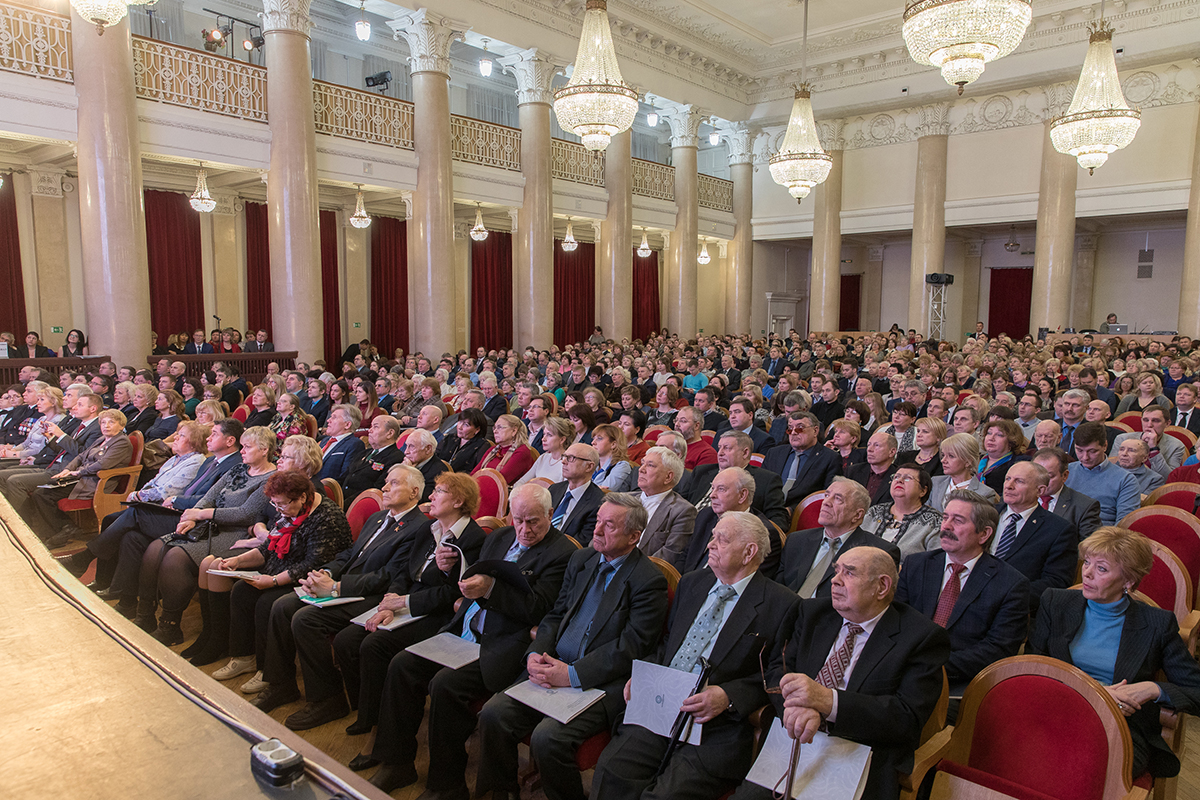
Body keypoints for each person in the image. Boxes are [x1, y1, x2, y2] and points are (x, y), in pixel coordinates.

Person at [362, 482, 578, 794]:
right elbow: (469, 582)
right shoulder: (501, 537)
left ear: (551, 514)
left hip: (502, 644)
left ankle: (446, 785)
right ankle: (396, 764)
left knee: (445, 685)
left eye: (534, 521)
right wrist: (450, 570)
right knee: (401, 664)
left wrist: (490, 590)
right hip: (463, 630)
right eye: (518, 520)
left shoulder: (563, 553)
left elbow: (538, 608)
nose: (525, 529)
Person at [591, 512, 801, 800]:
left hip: (716, 726)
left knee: (664, 796)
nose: (710, 544)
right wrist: (645, 675)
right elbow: (668, 644)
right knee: (611, 771)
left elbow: (776, 675)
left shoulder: (783, 604)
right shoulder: (692, 583)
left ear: (750, 551)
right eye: (712, 536)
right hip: (661, 705)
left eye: (721, 539)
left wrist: (728, 696)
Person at [474, 493, 670, 800]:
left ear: (634, 536)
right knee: (493, 714)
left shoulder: (648, 581)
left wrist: (573, 674)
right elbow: (555, 615)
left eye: (610, 525)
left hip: (598, 681)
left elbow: (633, 646)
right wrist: (535, 654)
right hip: (552, 664)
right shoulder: (583, 560)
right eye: (598, 521)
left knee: (547, 738)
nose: (597, 530)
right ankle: (501, 793)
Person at [729, 546, 950, 800]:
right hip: (794, 740)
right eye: (836, 570)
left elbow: (905, 718)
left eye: (850, 573)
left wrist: (826, 701)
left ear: (882, 586)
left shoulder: (922, 638)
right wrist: (796, 707)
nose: (835, 580)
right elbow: (779, 668)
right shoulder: (812, 613)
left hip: (860, 755)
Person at [251, 465, 440, 720]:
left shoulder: (419, 528)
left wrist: (337, 588)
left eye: (393, 483)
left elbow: (390, 577)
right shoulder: (378, 518)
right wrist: (326, 574)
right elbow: (349, 555)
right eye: (386, 482)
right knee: (282, 605)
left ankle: (328, 699)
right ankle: (281, 685)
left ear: (415, 491)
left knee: (305, 619)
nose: (384, 488)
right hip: (345, 584)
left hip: (372, 596)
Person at [1028, 528, 1200, 779]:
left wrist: (1153, 689)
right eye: (1087, 562)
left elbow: (1196, 690)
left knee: (1079, 770)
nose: (1086, 572)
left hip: (1119, 726)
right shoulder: (1055, 602)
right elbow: (1032, 667)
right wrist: (1095, 692)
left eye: (1101, 569)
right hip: (1055, 709)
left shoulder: (1157, 623)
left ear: (1128, 581)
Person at [337, 468, 487, 738]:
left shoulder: (473, 538)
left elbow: (453, 594)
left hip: (435, 613)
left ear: (458, 501)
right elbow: (404, 573)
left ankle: (381, 728)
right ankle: (367, 713)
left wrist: (404, 602)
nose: (431, 495)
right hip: (406, 603)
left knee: (375, 645)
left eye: (439, 491)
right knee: (347, 639)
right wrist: (388, 603)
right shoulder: (429, 529)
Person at [205, 470, 352, 688]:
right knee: (241, 592)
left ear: (302, 497)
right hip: (281, 570)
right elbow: (267, 549)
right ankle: (244, 657)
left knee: (267, 602)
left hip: (311, 579)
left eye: (281, 504)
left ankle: (267, 670)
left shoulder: (327, 516)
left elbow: (311, 565)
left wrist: (272, 582)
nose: (278, 509)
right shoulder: (289, 511)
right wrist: (238, 561)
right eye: (274, 504)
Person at [137, 426, 277, 647]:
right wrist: (191, 518)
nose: (242, 451)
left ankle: (170, 625)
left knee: (175, 558)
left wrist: (201, 514)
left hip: (237, 535)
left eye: (248, 447)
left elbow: (245, 514)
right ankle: (144, 615)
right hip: (207, 527)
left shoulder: (271, 478)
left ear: (264, 450)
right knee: (156, 547)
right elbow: (209, 496)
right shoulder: (238, 469)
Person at [896, 489, 1031, 702]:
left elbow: (997, 649)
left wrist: (930, 666)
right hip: (900, 670)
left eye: (958, 521)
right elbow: (896, 621)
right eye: (945, 517)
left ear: (984, 534)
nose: (946, 526)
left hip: (960, 683)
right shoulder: (917, 565)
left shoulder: (1011, 584)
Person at [777, 478, 901, 598]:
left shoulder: (880, 553)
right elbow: (778, 587)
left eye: (837, 499)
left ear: (857, 515)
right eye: (826, 496)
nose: (825, 502)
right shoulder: (796, 540)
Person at [27, 409, 132, 546]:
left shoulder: (122, 442)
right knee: (42, 491)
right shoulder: (101, 439)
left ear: (122, 426)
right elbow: (80, 456)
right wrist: (67, 469)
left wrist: (78, 472)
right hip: (82, 478)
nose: (106, 426)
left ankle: (63, 530)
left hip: (96, 482)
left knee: (43, 495)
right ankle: (61, 530)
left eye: (111, 422)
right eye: (103, 422)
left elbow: (103, 464)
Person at [992, 460, 1078, 611]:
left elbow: (1056, 583)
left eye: (1019, 481)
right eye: (1008, 478)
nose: (1009, 485)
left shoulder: (1059, 530)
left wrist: (1004, 594)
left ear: (1040, 491)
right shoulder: (987, 514)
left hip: (1016, 609)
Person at [681, 466, 783, 580]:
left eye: (721, 489)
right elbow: (685, 557)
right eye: (712, 488)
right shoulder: (706, 515)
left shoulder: (762, 534)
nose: (712, 495)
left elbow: (748, 582)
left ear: (742, 495)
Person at [761, 411, 842, 510]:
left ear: (815, 431)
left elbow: (825, 497)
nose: (794, 432)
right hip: (767, 510)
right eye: (790, 428)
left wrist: (792, 511)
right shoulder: (774, 453)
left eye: (800, 428)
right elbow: (762, 486)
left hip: (802, 513)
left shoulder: (830, 458)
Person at [859, 464, 943, 559]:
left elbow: (934, 561)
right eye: (896, 477)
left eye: (908, 478)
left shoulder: (934, 521)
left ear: (923, 491)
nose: (899, 480)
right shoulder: (874, 511)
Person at [1065, 422, 1140, 526]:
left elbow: (1124, 524)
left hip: (1100, 535)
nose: (1085, 457)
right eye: (1079, 450)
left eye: (1092, 451)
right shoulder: (1065, 472)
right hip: (1064, 532)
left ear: (1105, 446)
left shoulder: (1125, 479)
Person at [635, 445, 698, 570]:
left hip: (643, 573)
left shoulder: (683, 511)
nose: (641, 469)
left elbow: (669, 555)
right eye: (642, 464)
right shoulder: (623, 499)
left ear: (668, 477)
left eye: (650, 465)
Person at [547, 443, 605, 547]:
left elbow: (580, 543)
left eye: (571, 458)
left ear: (589, 466)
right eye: (564, 456)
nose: (563, 461)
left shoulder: (598, 502)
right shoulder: (554, 489)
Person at [1112, 405, 1185, 480]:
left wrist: (1154, 449)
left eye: (1156, 421)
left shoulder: (1176, 445)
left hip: (1154, 485)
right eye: (1146, 420)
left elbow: (1169, 478)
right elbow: (1112, 468)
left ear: (1167, 423)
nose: (1149, 425)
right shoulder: (1122, 439)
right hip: (1123, 480)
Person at [929, 432, 997, 511]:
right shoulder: (935, 482)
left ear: (968, 462)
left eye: (951, 456)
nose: (943, 460)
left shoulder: (985, 493)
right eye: (943, 455)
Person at [472, 414, 537, 486]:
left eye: (499, 427)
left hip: (507, 493)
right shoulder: (493, 450)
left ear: (514, 431)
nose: (495, 431)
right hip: (484, 487)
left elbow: (501, 479)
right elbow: (474, 474)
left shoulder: (521, 452)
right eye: (494, 428)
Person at [846, 430, 900, 506]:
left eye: (877, 445)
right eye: (869, 445)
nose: (869, 449)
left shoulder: (898, 477)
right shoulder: (853, 471)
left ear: (892, 452)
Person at [514, 416, 571, 487]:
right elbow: (521, 482)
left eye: (549, 435)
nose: (543, 439)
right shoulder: (543, 457)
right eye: (544, 434)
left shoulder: (567, 463)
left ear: (562, 440)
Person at [315, 404, 366, 483]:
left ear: (347, 424)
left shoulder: (354, 444)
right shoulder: (325, 440)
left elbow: (344, 476)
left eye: (334, 417)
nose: (328, 420)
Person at [435, 407, 491, 474]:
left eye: (466, 425)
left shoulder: (482, 446)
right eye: (460, 422)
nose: (460, 427)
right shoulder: (449, 438)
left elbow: (477, 472)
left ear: (477, 429)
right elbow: (434, 458)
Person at [590, 423, 635, 492]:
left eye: (599, 438)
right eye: (593, 439)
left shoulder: (622, 466)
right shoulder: (592, 463)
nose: (593, 442)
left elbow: (602, 493)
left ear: (613, 444)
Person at [675, 405, 718, 470]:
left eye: (683, 421)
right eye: (676, 420)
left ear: (696, 425)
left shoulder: (707, 453)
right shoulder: (671, 445)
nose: (676, 425)